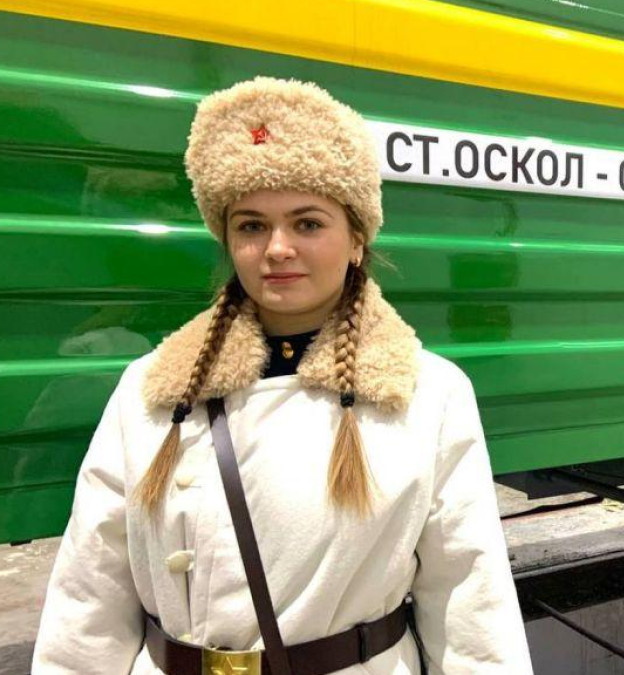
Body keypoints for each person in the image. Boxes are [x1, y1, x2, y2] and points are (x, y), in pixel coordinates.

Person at [31, 76, 534, 675]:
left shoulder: (427, 394)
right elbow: (88, 596)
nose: (277, 248)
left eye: (308, 223)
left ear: (355, 239)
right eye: (251, 226)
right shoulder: (153, 390)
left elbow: (470, 602)